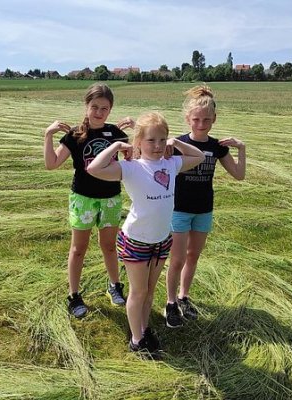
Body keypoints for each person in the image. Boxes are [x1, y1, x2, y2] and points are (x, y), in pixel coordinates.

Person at [87, 112, 205, 354]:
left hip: (162, 239)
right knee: (138, 291)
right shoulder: (131, 168)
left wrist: (176, 142)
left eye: (162, 140)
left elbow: (199, 156)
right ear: (138, 141)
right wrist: (116, 146)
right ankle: (136, 340)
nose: (158, 145)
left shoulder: (171, 163)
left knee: (150, 291)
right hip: (136, 240)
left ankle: (143, 327)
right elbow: (94, 168)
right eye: (151, 140)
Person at [43, 83, 135, 318]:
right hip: (83, 199)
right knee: (78, 249)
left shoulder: (116, 133)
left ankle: (114, 286)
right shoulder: (74, 135)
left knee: (109, 246)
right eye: (94, 107)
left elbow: (137, 159)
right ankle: (74, 295)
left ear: (110, 109)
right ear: (86, 106)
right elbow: (52, 164)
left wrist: (137, 130)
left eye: (104, 108)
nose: (99, 112)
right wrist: (48, 135)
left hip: (110, 198)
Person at [164, 85, 246, 328]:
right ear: (187, 119)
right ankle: (170, 303)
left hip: (203, 210)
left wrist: (241, 149)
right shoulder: (176, 144)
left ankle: (184, 296)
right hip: (179, 209)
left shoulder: (217, 147)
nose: (201, 124)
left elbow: (239, 175)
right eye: (196, 119)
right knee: (177, 259)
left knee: (193, 256)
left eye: (207, 120)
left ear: (214, 119)